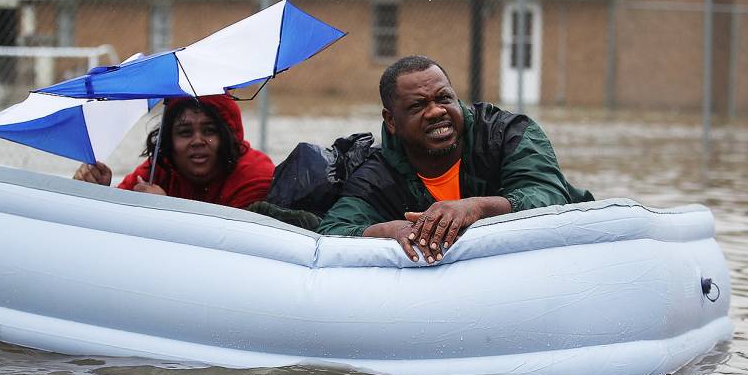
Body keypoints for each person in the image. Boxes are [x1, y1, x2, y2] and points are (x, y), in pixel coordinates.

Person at [317, 55, 593, 263]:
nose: (436, 111)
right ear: (391, 121)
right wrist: (390, 230)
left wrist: (476, 208)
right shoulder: (376, 175)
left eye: (444, 98)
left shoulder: (507, 133)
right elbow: (332, 231)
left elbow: (550, 195)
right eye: (418, 105)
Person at [73, 94, 273, 209]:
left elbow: (237, 247)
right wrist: (96, 192)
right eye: (185, 132)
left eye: (210, 131)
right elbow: (115, 219)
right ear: (169, 141)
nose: (197, 141)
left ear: (229, 136)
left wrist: (167, 211)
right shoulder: (161, 169)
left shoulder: (255, 177)